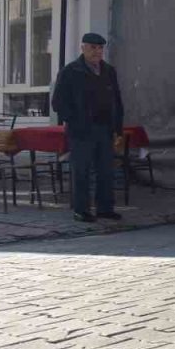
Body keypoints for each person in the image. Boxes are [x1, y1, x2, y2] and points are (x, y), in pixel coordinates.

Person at [51, 33, 124, 223]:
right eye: (93, 48)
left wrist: (117, 128)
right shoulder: (71, 71)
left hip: (104, 129)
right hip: (81, 131)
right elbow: (58, 102)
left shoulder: (109, 71)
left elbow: (117, 100)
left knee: (106, 170)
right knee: (81, 171)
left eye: (100, 48)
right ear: (83, 48)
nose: (97, 52)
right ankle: (81, 210)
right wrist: (75, 121)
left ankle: (105, 208)